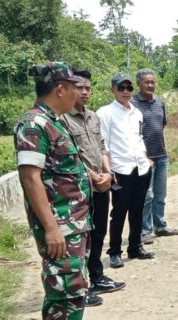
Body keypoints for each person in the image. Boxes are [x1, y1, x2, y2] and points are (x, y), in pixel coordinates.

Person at [14, 62, 103, 320]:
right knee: (64, 289)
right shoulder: (34, 124)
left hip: (73, 223)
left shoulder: (54, 121)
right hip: (60, 226)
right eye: (74, 86)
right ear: (60, 89)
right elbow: (30, 178)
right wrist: (51, 228)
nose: (80, 91)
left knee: (74, 286)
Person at [62, 67, 126, 301]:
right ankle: (82, 284)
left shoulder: (93, 117)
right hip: (80, 187)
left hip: (102, 184)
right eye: (80, 88)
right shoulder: (63, 119)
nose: (85, 92)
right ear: (70, 89)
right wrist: (93, 176)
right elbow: (72, 155)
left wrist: (107, 174)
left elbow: (101, 148)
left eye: (88, 88)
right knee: (82, 236)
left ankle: (97, 276)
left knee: (99, 231)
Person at [97, 72, 154, 268]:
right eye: (121, 87)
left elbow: (139, 137)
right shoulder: (105, 113)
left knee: (138, 209)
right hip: (120, 169)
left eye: (129, 87)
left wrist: (146, 158)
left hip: (141, 167)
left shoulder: (136, 112)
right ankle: (114, 251)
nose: (125, 91)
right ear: (112, 89)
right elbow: (103, 144)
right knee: (119, 212)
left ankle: (135, 247)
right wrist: (108, 170)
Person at [131, 68, 178, 244]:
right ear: (139, 83)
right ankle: (145, 230)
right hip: (144, 157)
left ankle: (160, 226)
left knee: (160, 194)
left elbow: (161, 125)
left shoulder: (160, 102)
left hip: (161, 154)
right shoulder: (133, 103)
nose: (150, 85)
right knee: (147, 195)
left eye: (152, 82)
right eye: (147, 82)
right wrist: (142, 154)